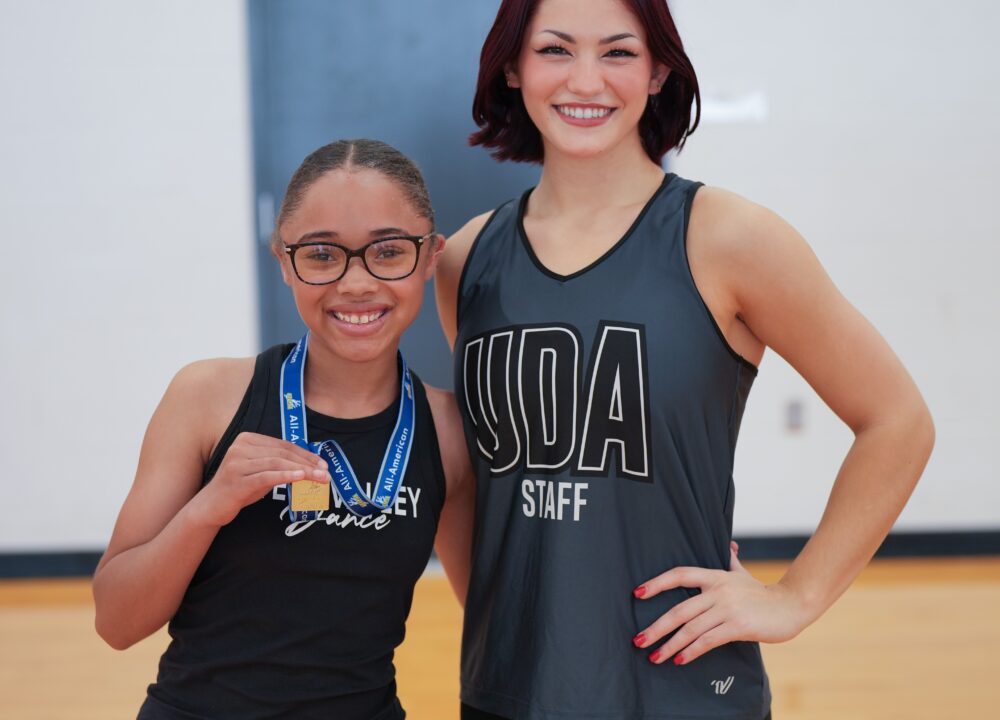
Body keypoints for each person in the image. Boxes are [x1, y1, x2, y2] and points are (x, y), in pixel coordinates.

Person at [435, 0, 935, 718]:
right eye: (554, 50)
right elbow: (486, 482)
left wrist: (795, 598)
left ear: (658, 71)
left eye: (618, 52)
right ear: (513, 67)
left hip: (683, 691)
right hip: (508, 693)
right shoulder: (465, 258)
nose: (586, 79)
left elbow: (897, 420)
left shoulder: (728, 237)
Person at [93, 138, 475, 720]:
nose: (356, 283)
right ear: (283, 260)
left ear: (429, 257)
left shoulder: (447, 431)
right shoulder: (207, 397)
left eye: (388, 251)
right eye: (321, 254)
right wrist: (208, 509)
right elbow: (116, 622)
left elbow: (494, 620)